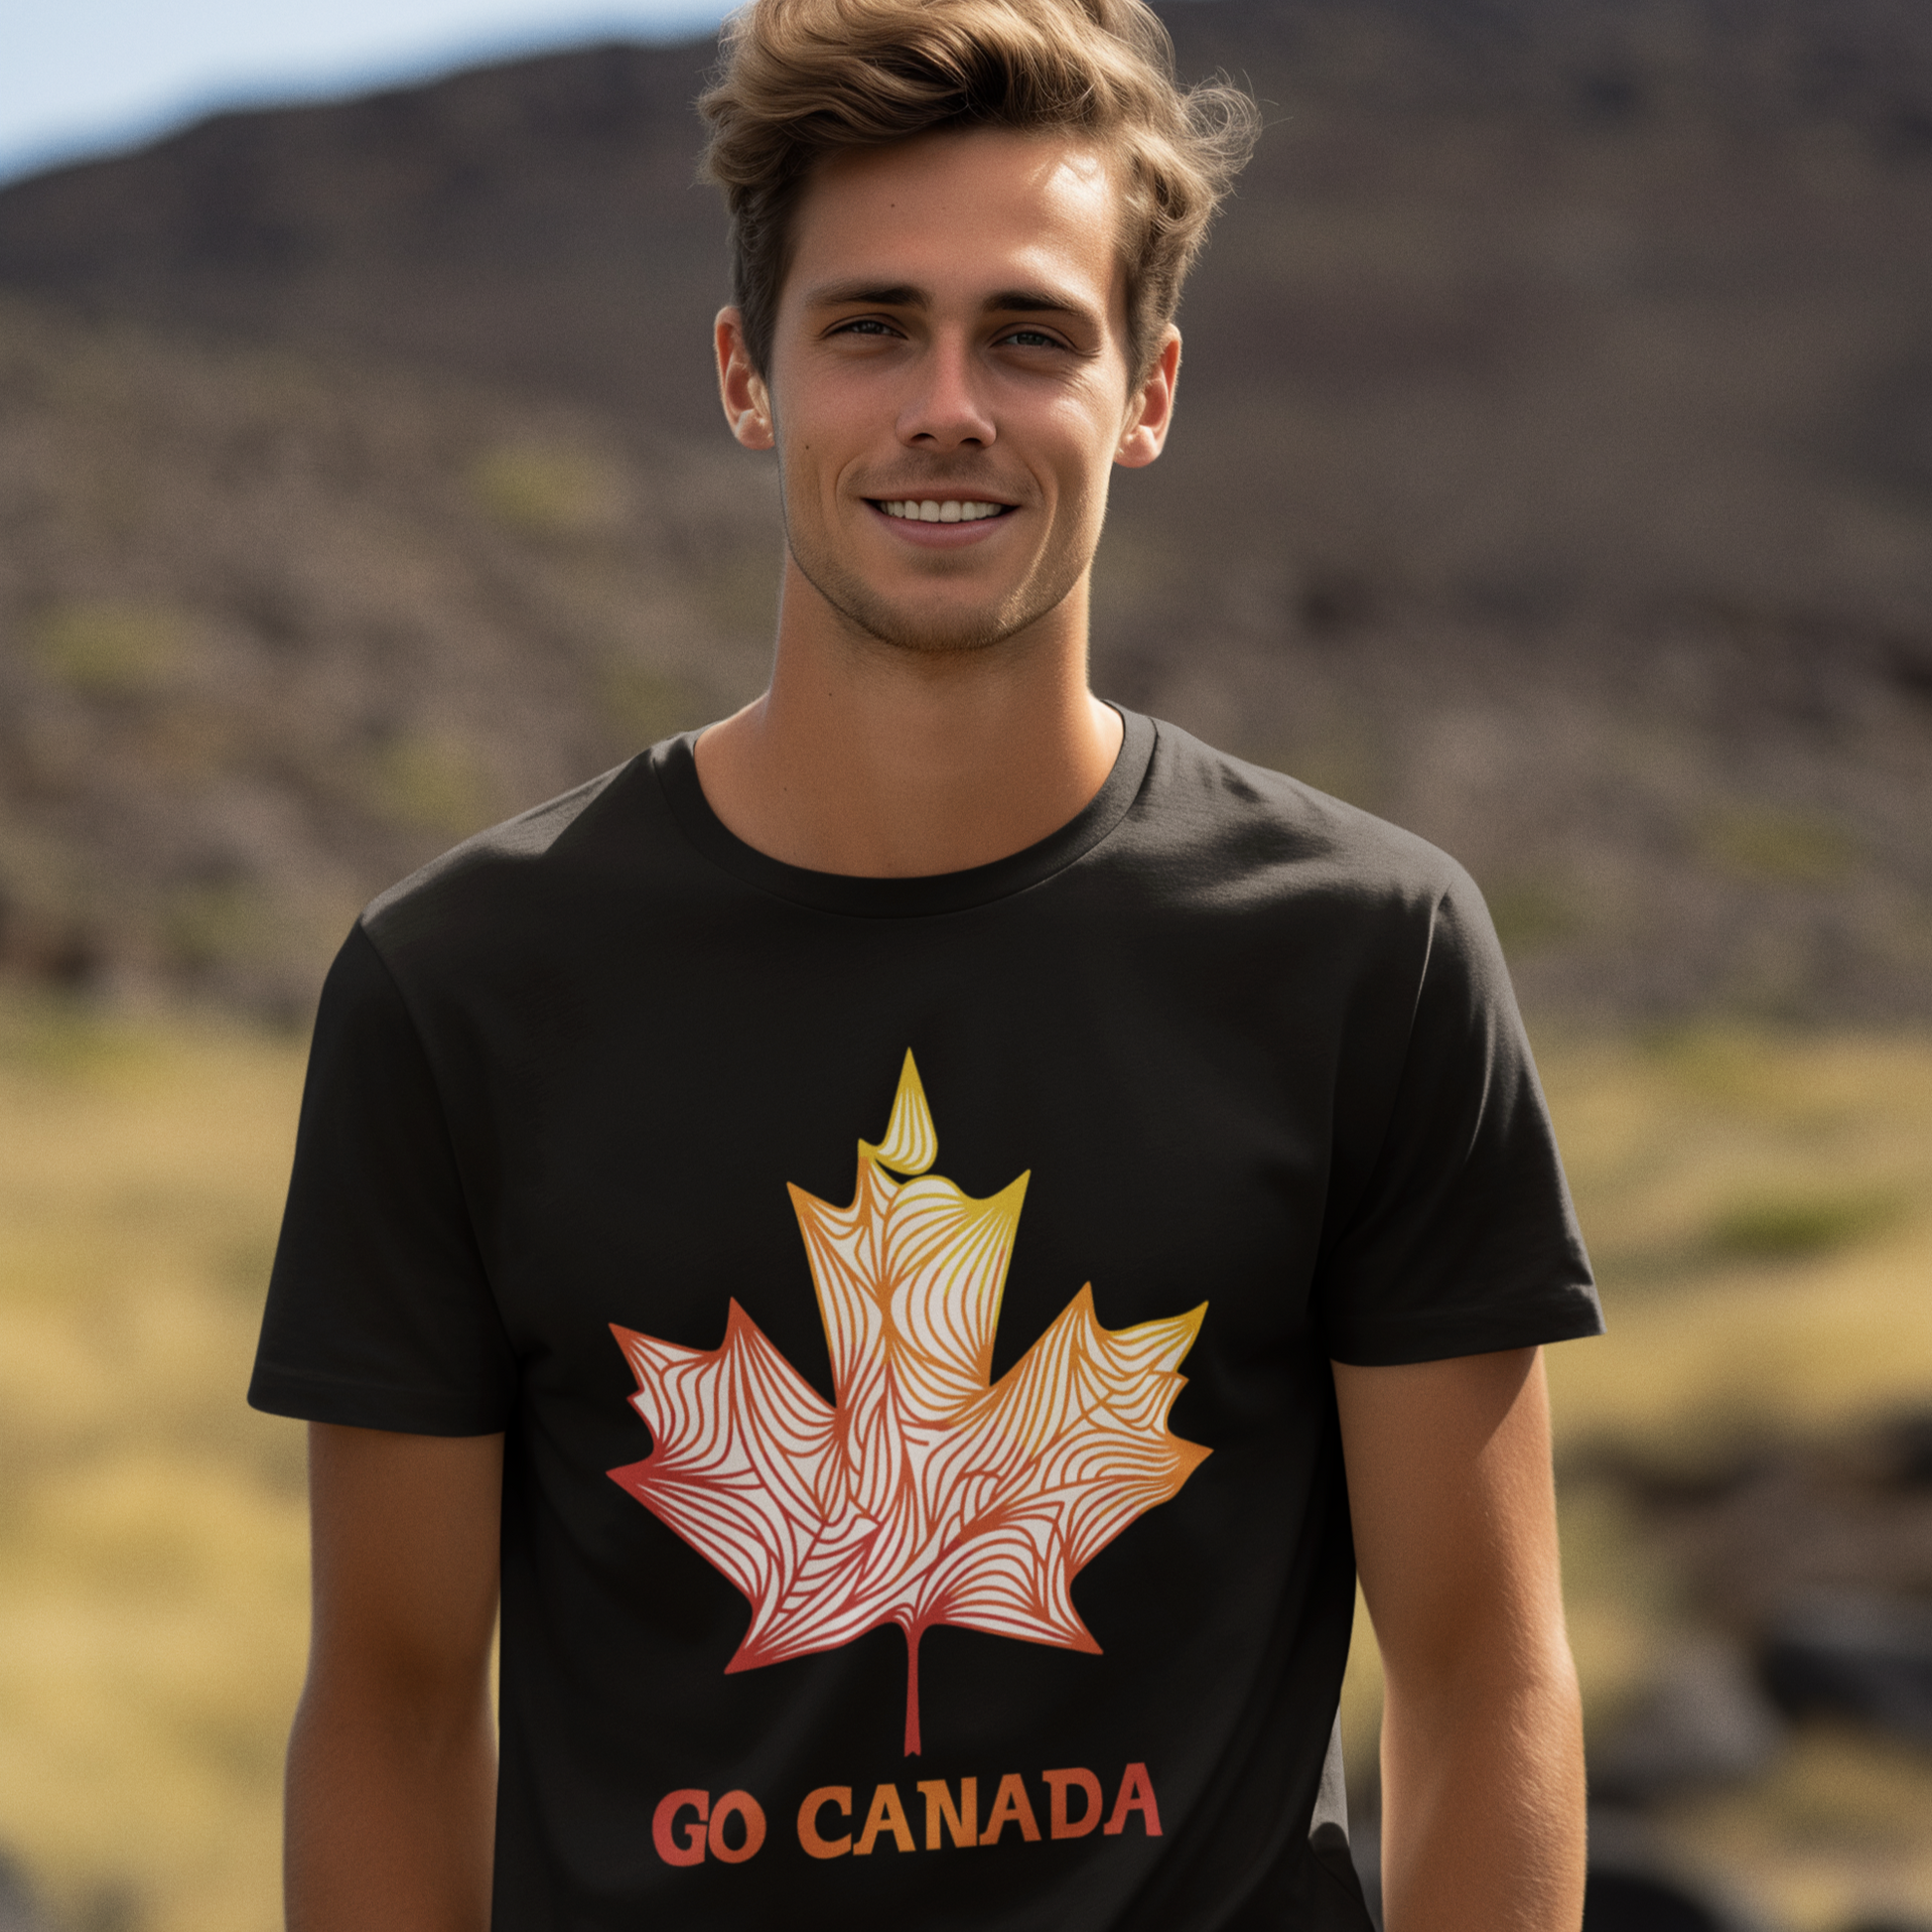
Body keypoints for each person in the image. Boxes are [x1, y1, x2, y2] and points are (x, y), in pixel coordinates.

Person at [250, 0, 1602, 1925]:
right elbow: (386, 1712)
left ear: (1146, 390)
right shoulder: (461, 984)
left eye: (1030, 334)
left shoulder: (1363, 955)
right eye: (871, 325)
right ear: (748, 376)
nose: (946, 404)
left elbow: (1483, 1678)